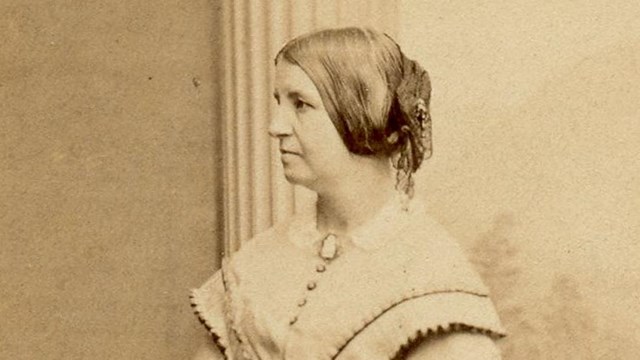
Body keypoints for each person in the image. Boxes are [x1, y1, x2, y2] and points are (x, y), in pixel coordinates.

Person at [190, 27, 505, 360]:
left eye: (301, 104)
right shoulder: (257, 263)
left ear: (364, 113)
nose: (276, 126)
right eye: (279, 102)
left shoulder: (430, 275)